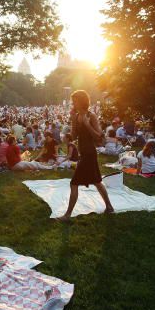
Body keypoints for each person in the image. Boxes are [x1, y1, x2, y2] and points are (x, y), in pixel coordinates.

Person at [57, 90, 114, 221]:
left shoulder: (91, 115)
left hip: (90, 154)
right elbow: (74, 136)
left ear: (81, 101)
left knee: (74, 183)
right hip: (83, 154)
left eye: (74, 101)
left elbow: (99, 136)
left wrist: (87, 124)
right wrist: (73, 120)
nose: (73, 103)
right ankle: (109, 207)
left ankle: (67, 215)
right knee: (97, 181)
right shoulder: (76, 116)